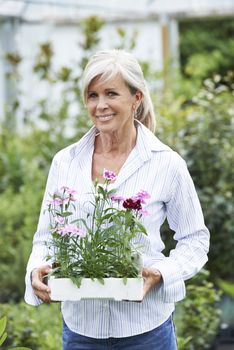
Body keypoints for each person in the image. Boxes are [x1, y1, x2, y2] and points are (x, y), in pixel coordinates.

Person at [25, 49, 210, 350]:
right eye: (92, 95)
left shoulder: (165, 163)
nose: (100, 106)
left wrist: (159, 273)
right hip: (81, 333)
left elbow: (195, 240)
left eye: (111, 93)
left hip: (147, 332)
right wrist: (38, 269)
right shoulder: (65, 162)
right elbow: (46, 238)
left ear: (136, 98)